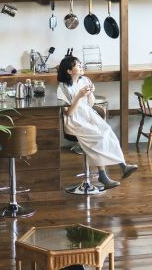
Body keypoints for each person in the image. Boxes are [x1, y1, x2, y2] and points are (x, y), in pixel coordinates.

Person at [56, 55, 137, 189]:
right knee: (99, 136)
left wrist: (90, 94)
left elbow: (91, 103)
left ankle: (123, 165)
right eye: (78, 65)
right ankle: (103, 175)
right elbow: (68, 113)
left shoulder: (85, 80)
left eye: (80, 64)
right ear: (69, 71)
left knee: (107, 131)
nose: (81, 66)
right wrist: (79, 96)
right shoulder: (62, 88)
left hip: (88, 114)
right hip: (74, 120)